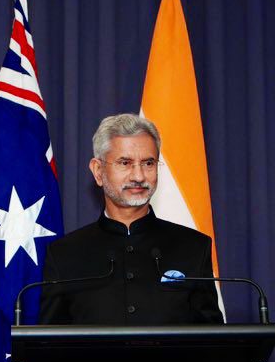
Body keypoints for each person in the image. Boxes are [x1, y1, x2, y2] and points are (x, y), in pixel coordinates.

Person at [38, 114, 223, 325]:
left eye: (148, 163)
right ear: (98, 171)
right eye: (125, 163)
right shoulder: (64, 253)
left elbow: (213, 342)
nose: (139, 176)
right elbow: (49, 346)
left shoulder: (193, 247)